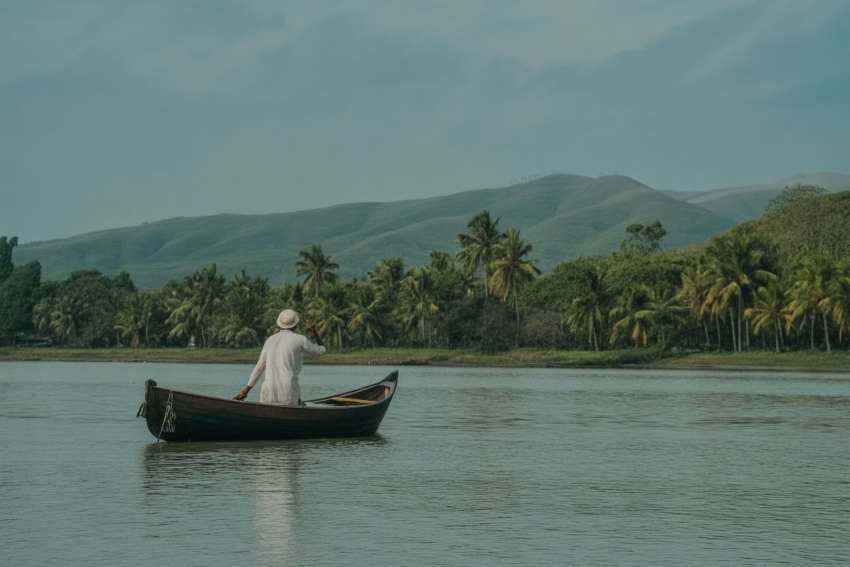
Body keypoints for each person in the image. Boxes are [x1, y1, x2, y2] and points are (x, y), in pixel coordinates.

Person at [233, 309, 326, 405]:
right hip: (288, 391)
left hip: (268, 391)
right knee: (297, 406)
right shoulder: (300, 339)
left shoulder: (270, 340)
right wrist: (314, 331)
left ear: (279, 324)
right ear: (296, 324)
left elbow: (259, 368)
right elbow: (321, 351)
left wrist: (245, 391)